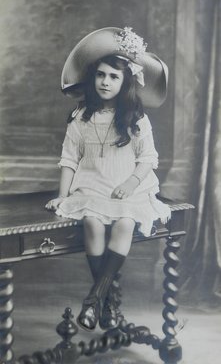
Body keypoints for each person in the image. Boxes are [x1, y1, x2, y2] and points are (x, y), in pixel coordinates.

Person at [45, 27, 171, 332]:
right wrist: (63, 196)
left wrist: (130, 184)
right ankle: (107, 303)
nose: (105, 82)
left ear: (125, 81)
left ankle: (93, 300)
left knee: (125, 222)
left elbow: (148, 159)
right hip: (93, 183)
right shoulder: (81, 117)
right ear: (93, 78)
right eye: (101, 75)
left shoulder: (135, 117)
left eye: (114, 77)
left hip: (128, 184)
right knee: (91, 221)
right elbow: (69, 159)